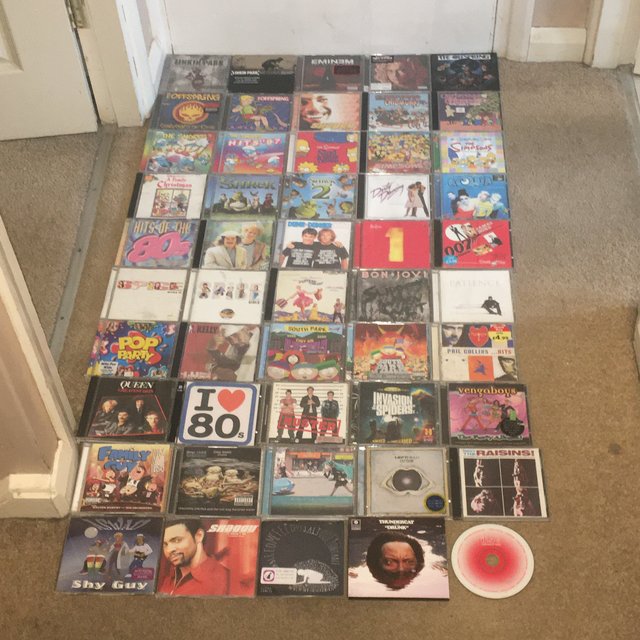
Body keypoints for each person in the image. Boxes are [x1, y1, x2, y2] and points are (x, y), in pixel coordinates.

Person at [158, 520, 230, 596]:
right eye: (165, 544)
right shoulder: (167, 579)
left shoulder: (224, 580)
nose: (169, 550)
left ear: (199, 536)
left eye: (177, 540)